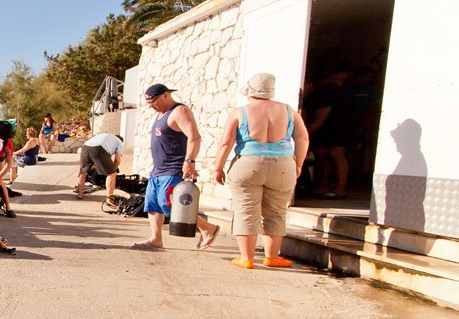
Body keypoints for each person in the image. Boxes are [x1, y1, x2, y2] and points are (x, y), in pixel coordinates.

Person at [211, 73, 311, 269]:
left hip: (248, 163)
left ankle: (246, 258)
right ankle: (272, 256)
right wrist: (298, 164)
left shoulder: (240, 112)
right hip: (283, 165)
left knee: (246, 209)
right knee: (276, 211)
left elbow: (226, 143)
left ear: (250, 92)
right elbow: (303, 138)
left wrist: (218, 167)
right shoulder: (289, 111)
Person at [133, 83, 220, 250]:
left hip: (173, 167)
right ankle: (155, 238)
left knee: (171, 204)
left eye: (153, 101)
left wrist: (189, 161)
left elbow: (194, 137)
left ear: (166, 95)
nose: (151, 106)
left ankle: (208, 229)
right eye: (149, 103)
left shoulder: (179, 111)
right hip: (158, 169)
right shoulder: (161, 113)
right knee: (152, 205)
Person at [307, 66, 353, 199]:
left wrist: (306, 133)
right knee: (324, 155)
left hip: (333, 127)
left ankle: (338, 188)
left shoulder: (327, 91)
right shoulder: (339, 90)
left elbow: (320, 118)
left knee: (335, 154)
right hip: (333, 127)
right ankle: (327, 186)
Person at [76, 133, 124, 199]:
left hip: (85, 147)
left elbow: (93, 153)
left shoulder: (106, 136)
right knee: (112, 174)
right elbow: (117, 159)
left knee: (83, 171)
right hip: (99, 148)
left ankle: (80, 195)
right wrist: (113, 169)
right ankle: (109, 198)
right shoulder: (119, 142)